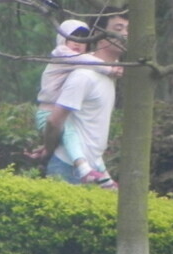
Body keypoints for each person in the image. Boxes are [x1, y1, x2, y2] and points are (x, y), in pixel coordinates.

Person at [43, 6, 129, 189]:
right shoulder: (84, 75)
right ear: (98, 34)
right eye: (118, 29)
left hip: (93, 169)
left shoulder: (108, 74)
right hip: (68, 170)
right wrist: (47, 150)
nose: (125, 34)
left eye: (129, 29)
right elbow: (54, 121)